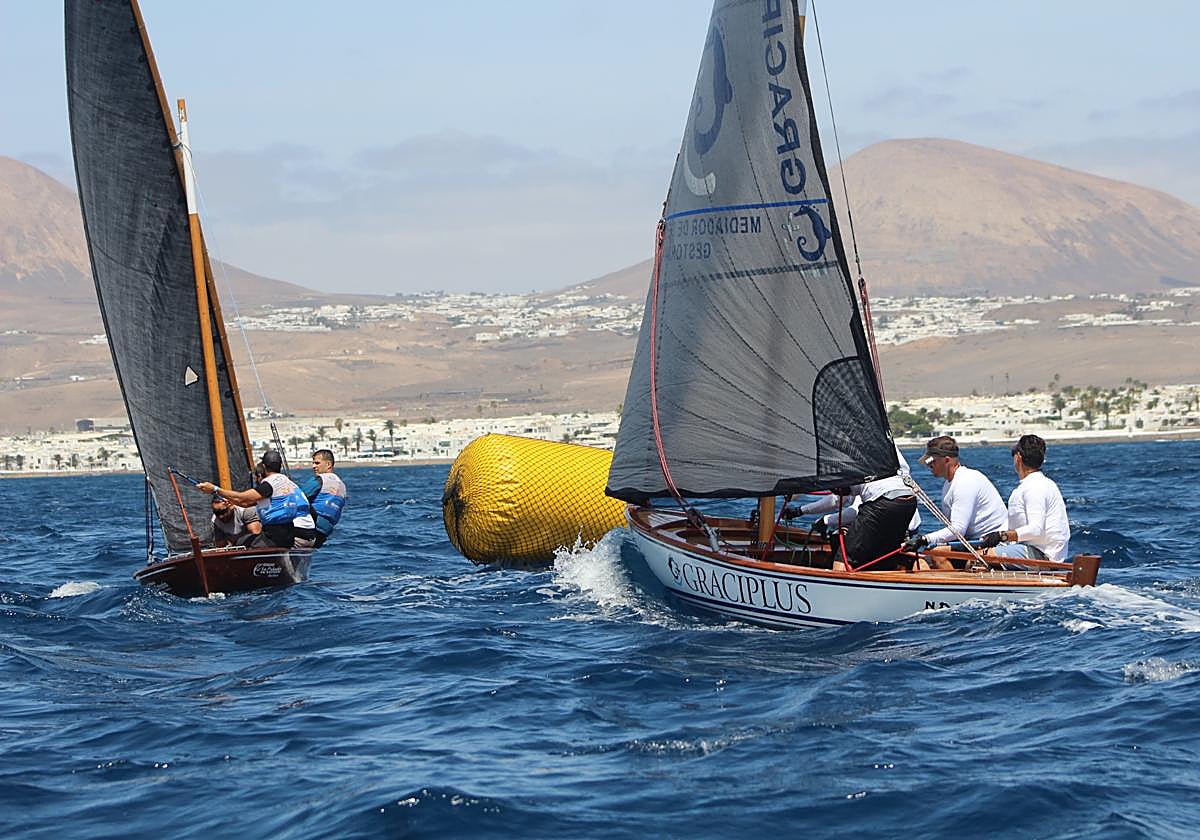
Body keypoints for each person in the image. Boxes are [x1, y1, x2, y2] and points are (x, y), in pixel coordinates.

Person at [784, 443, 920, 569]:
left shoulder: (850, 456)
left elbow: (850, 507)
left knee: (843, 555)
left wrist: (825, 520)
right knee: (883, 557)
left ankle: (837, 585)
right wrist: (801, 511)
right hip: (908, 503)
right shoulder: (882, 449)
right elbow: (838, 499)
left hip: (884, 505)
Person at [196, 450, 317, 549]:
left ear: (263, 467)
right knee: (247, 540)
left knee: (240, 543)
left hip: (278, 536)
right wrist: (232, 501)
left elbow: (242, 498)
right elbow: (245, 502)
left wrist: (214, 489)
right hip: (293, 534)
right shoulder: (288, 483)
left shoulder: (269, 484)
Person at [905, 435, 1007, 551]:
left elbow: (958, 530)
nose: (929, 465)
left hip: (994, 542)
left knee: (936, 554)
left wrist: (925, 539)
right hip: (972, 540)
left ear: (947, 460)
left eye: (931, 461)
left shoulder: (965, 481)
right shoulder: (949, 484)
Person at [979, 434, 1071, 561]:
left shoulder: (1035, 487)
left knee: (976, 558)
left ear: (1018, 457)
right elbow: (1011, 526)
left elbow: (1035, 530)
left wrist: (1002, 536)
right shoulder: (1033, 485)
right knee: (975, 552)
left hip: (1043, 556)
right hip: (1026, 548)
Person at [297, 449, 347, 548]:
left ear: (328, 464)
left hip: (308, 528)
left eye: (317, 463)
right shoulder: (342, 486)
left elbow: (297, 498)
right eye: (313, 463)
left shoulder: (320, 480)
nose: (313, 466)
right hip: (323, 535)